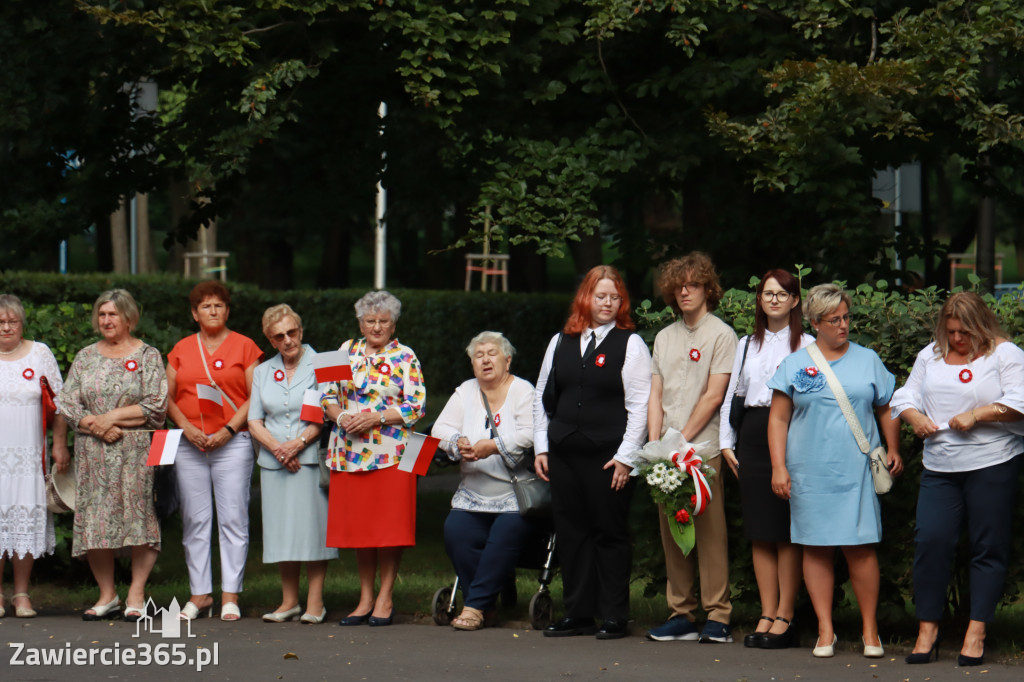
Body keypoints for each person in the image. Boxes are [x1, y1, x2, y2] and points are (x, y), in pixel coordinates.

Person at [766, 283, 903, 659]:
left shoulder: (868, 358)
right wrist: (778, 467)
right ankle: (825, 630)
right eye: (834, 320)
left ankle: (870, 630)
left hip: (856, 468)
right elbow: (778, 419)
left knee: (860, 547)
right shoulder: (795, 363)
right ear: (815, 322)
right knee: (815, 547)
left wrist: (893, 447)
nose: (843, 325)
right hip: (809, 470)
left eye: (846, 317)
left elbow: (887, 407)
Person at [891, 292, 1024, 666]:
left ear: (981, 326)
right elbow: (905, 395)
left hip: (992, 462)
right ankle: (927, 630)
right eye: (950, 332)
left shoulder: (1005, 354)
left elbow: (1020, 401)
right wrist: (913, 416)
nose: (957, 340)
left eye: (964, 332)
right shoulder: (930, 355)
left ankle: (976, 631)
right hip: (941, 466)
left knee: (988, 546)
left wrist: (979, 414)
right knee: (931, 542)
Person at [534, 265, 651, 640]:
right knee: (572, 533)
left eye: (615, 298)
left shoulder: (630, 343)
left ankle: (614, 615)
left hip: (607, 458)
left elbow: (640, 406)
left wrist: (627, 457)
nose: (608, 303)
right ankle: (578, 613)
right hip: (564, 455)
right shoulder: (560, 341)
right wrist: (542, 446)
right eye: (601, 296)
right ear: (586, 297)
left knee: (609, 533)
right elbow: (542, 397)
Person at [60, 289, 167, 622]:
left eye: (113, 314)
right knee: (96, 522)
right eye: (102, 314)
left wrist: (110, 418)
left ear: (129, 318)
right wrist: (96, 426)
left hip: (134, 452)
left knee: (139, 519)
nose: (106, 320)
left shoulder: (148, 356)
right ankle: (107, 595)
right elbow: (66, 403)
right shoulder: (85, 356)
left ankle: (136, 593)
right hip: (93, 454)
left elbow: (155, 407)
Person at [646, 252, 737, 644]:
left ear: (707, 289)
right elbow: (655, 394)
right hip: (665, 454)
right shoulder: (664, 337)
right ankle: (680, 614)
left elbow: (714, 395)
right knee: (673, 535)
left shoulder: (722, 335)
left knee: (710, 535)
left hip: (702, 451)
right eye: (678, 286)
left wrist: (678, 439)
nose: (684, 291)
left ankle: (718, 615)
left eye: (693, 285)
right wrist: (654, 446)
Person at [720, 270, 813, 649]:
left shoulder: (807, 344)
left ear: (795, 301)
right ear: (759, 299)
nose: (773, 299)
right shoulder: (745, 344)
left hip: (793, 433)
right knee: (760, 531)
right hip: (753, 436)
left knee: (786, 530)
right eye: (767, 293)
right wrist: (727, 441)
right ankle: (766, 610)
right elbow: (733, 396)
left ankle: (787, 616)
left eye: (782, 294)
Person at [322, 291, 425, 627]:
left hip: (393, 454)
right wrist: (340, 418)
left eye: (384, 321)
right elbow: (326, 395)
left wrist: (376, 418)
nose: (377, 327)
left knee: (389, 529)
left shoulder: (405, 355)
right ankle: (365, 597)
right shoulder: (341, 351)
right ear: (360, 323)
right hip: (348, 452)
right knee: (361, 529)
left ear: (393, 323)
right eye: (371, 321)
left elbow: (417, 406)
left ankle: (386, 596)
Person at [166, 281, 263, 621]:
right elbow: (169, 397)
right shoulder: (181, 349)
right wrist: (187, 429)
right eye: (205, 306)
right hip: (190, 444)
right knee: (195, 519)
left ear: (227, 310)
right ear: (194, 313)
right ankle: (200, 595)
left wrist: (229, 429)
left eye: (218, 305)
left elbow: (255, 396)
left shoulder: (245, 347)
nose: (212, 311)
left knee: (233, 518)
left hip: (232, 442)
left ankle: (231, 595)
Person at [431, 331, 536, 631]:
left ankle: (475, 607)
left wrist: (492, 445)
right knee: (456, 532)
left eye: (492, 353)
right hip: (473, 492)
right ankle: (487, 606)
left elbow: (531, 432)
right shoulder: (465, 391)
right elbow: (440, 429)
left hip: (515, 493)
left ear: (508, 360)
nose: (486, 359)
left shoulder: (522, 390)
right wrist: (458, 441)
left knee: (503, 536)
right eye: (479, 355)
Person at [248, 304, 337, 624]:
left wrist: (297, 445)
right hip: (274, 464)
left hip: (311, 460)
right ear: (271, 341)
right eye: (279, 336)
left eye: (292, 332)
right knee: (282, 533)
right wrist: (277, 450)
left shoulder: (325, 363)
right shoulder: (262, 371)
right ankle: (288, 602)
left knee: (313, 531)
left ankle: (315, 603)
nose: (287, 340)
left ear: (301, 330)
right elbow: (254, 420)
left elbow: (330, 413)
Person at [0, 295, 70, 619]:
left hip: (29, 455)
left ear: (22, 324)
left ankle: (21, 594)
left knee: (23, 520)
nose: (6, 327)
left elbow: (60, 404)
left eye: (12, 321)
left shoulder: (40, 353)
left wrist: (59, 445)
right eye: (0, 322)